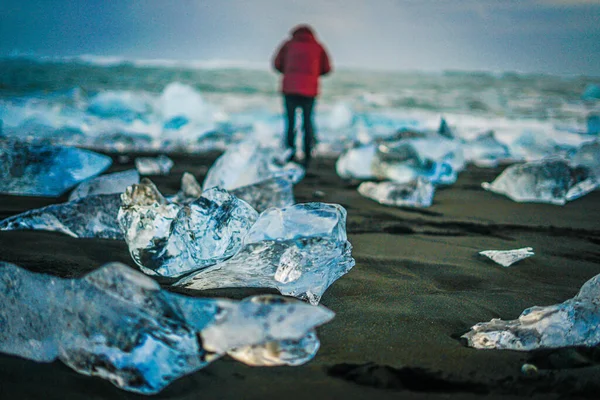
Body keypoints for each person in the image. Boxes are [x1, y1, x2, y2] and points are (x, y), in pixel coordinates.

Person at [272, 25, 332, 168]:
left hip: (290, 90)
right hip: (309, 91)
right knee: (308, 122)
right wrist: (313, 74)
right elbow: (327, 69)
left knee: (290, 123)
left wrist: (289, 72)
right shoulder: (317, 46)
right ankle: (307, 155)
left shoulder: (288, 44)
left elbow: (276, 64)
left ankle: (290, 154)